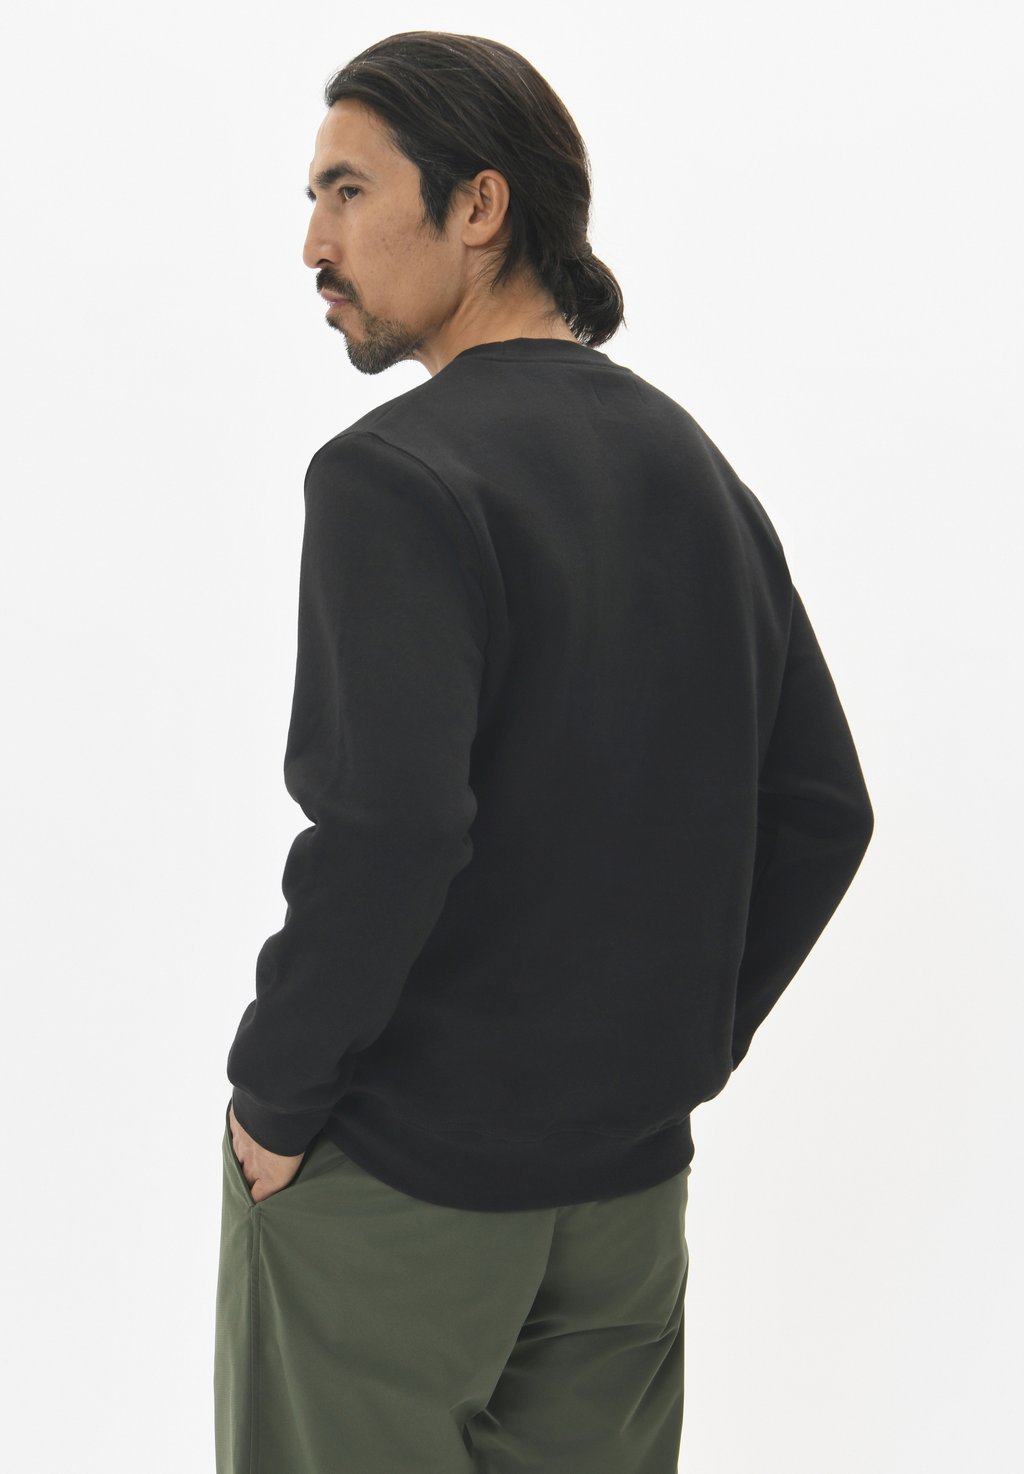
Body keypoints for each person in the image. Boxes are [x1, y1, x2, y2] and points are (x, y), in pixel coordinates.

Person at [214, 29, 874, 1474]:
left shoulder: (392, 475)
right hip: (624, 1198)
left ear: (479, 206)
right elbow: (824, 810)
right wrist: (670, 1055)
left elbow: (392, 828)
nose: (314, 242)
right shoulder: (695, 467)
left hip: (399, 1193)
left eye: (347, 190)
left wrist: (276, 1094)